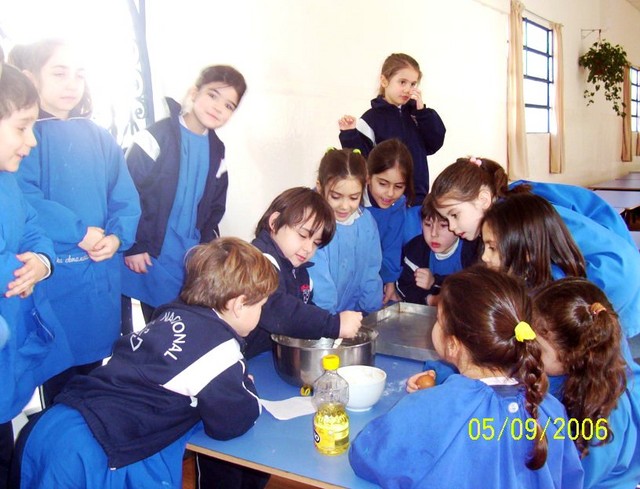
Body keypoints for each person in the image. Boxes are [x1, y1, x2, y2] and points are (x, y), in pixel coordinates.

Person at [13, 237, 278, 489]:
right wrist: (245, 386)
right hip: (95, 450)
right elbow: (234, 421)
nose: (261, 313)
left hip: (50, 426)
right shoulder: (221, 350)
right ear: (239, 305)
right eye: (261, 306)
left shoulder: (168, 315)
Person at [350, 266, 584, 488]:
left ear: (452, 345)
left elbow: (366, 454)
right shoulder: (551, 411)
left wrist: (430, 402)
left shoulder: (432, 407)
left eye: (438, 320)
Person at [13, 39, 141, 404]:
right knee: (59, 380)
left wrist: (117, 238)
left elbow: (126, 196)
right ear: (29, 77)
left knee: (97, 377)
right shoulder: (24, 137)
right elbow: (25, 197)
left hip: (100, 280)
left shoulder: (98, 136)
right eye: (59, 73)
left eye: (79, 75)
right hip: (55, 281)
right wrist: (78, 232)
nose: (71, 84)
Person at [429, 156, 640, 338]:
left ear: (483, 199)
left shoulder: (524, 219)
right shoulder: (508, 204)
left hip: (613, 281)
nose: (453, 227)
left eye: (454, 215)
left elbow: (551, 281)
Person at [120, 64, 246, 332]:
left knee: (179, 327)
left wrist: (209, 249)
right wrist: (134, 245)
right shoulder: (155, 136)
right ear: (194, 92)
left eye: (228, 105)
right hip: (149, 251)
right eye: (212, 95)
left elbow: (215, 206)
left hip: (187, 256)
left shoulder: (217, 150)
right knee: (149, 330)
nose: (218, 108)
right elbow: (127, 191)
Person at [0, 60, 73, 489]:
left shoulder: (8, 179)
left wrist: (42, 263)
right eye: (22, 127)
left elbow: (32, 229)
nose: (30, 141)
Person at [533, 278, 640, 489]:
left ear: (571, 357)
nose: (528, 349)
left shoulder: (604, 418)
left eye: (539, 349)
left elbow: (575, 481)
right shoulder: (575, 372)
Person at [243, 187, 363, 359]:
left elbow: (303, 310)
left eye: (316, 243)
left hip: (261, 357)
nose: (308, 248)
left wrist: (330, 322)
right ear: (275, 222)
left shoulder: (298, 271)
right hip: (231, 359)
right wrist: (333, 324)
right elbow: (277, 309)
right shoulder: (257, 262)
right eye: (302, 235)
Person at [338, 52, 446, 204]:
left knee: (413, 229)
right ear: (384, 80)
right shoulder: (371, 119)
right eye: (402, 82)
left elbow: (434, 143)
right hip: (383, 202)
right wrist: (349, 134)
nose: (408, 89)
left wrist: (423, 114)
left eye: (413, 84)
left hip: (417, 199)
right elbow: (360, 159)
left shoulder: (418, 116)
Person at [308, 148, 383, 314]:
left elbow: (371, 270)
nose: (344, 206)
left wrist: (370, 313)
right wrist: (331, 323)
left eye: (354, 197)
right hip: (320, 318)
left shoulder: (366, 223)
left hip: (354, 316)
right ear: (320, 188)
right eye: (336, 197)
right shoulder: (313, 224)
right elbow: (319, 282)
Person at [480, 192, 586, 289]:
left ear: (528, 251)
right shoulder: (527, 278)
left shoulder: (554, 298)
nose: (484, 257)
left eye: (492, 248)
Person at [397, 194, 478, 306]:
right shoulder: (416, 248)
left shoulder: (472, 250)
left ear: (456, 224)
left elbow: (474, 289)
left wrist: (435, 281)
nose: (434, 234)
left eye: (443, 226)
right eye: (428, 224)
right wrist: (431, 300)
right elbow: (403, 287)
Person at [363, 139, 414, 304]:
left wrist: (390, 280)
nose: (390, 193)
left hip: (373, 280)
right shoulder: (350, 200)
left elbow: (392, 246)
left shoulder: (398, 205)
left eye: (399, 186)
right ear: (368, 177)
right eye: (383, 184)